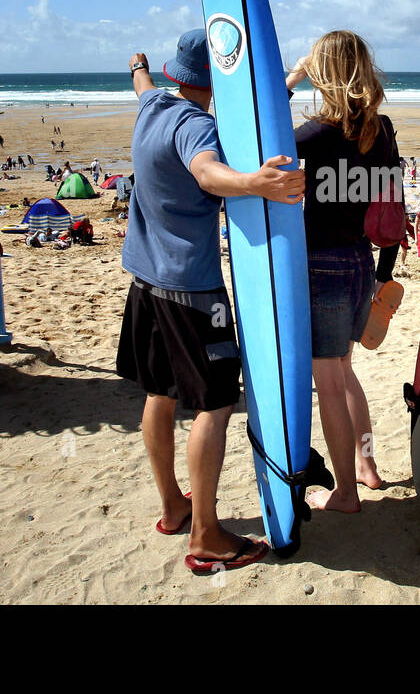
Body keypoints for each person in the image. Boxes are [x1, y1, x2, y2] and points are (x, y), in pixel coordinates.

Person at [121, 29, 304, 574]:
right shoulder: (196, 126)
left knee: (160, 391)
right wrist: (256, 183)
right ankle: (205, 536)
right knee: (216, 403)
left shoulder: (154, 102)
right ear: (219, 80)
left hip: (144, 279)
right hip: (191, 289)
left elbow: (139, 81)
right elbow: (205, 170)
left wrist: (138, 62)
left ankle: (174, 507)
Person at [285, 30, 400, 513]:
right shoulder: (385, 130)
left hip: (322, 267)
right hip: (359, 263)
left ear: (323, 74)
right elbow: (392, 210)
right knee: (346, 372)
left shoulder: (313, 136)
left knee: (328, 379)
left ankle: (346, 493)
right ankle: (367, 466)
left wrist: (289, 80)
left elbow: (253, 142)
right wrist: (382, 275)